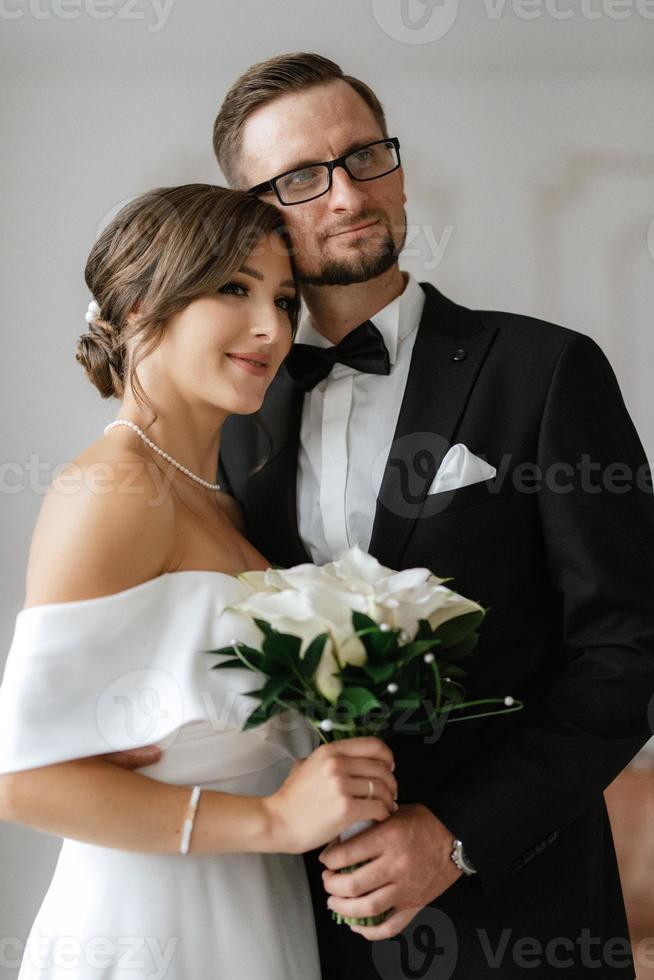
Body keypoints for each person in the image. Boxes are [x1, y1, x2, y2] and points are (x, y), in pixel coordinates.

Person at [210, 53, 654, 978]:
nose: (347, 196)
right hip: (302, 927)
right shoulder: (232, 418)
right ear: (253, 215)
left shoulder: (546, 372)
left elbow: (629, 651)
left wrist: (458, 837)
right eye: (301, 178)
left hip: (522, 922)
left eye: (367, 156)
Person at [0, 183, 398, 979]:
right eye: (234, 288)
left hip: (254, 908)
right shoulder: (114, 488)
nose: (272, 328)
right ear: (144, 303)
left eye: (285, 300)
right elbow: (24, 782)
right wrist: (276, 821)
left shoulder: (220, 499)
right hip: (152, 922)